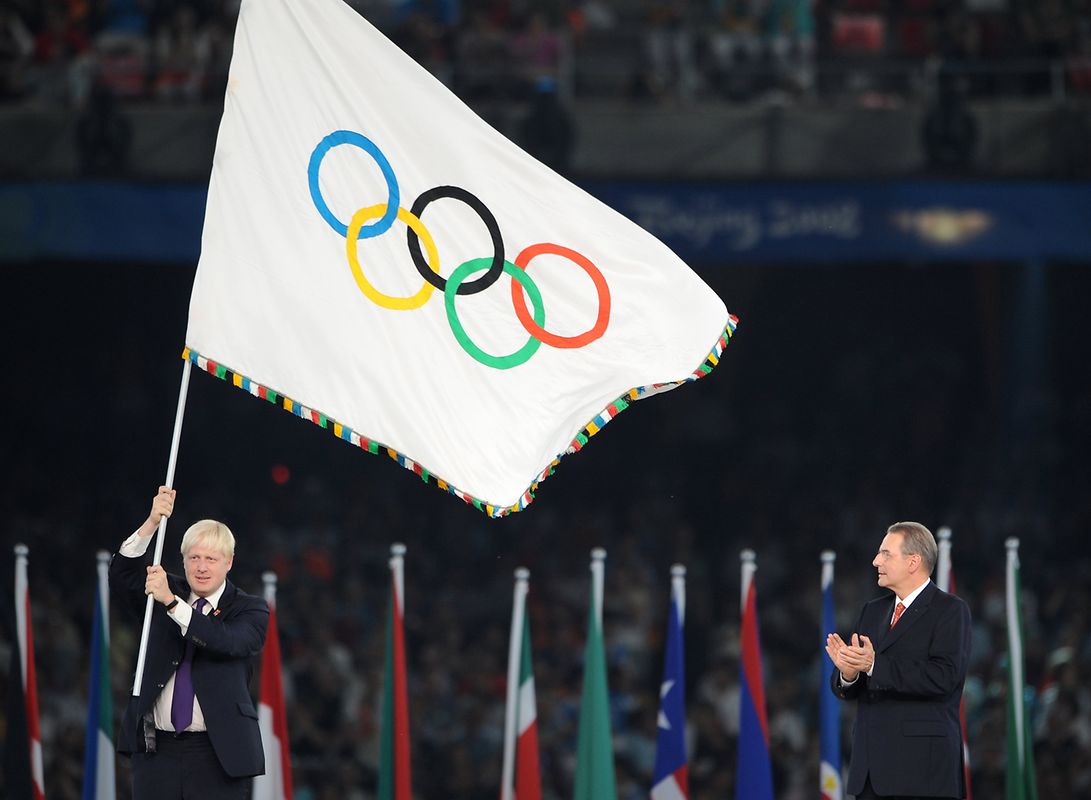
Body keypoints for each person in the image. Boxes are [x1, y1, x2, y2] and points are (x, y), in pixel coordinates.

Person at [110, 486, 269, 799]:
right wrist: (152, 522)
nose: (202, 566)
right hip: (156, 752)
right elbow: (121, 574)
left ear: (229, 563)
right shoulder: (163, 589)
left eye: (211, 558)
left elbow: (228, 642)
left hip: (218, 754)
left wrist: (172, 604)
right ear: (182, 561)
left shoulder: (250, 608)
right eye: (194, 557)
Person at [826, 522, 971, 800]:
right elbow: (852, 683)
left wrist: (872, 665)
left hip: (921, 775)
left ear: (913, 561)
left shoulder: (950, 610)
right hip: (870, 774)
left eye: (885, 554)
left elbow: (943, 678)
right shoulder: (872, 610)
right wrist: (849, 673)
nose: (875, 560)